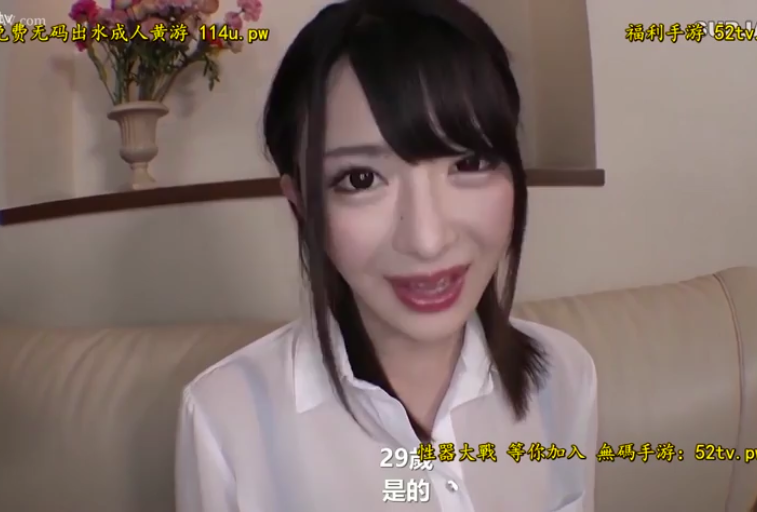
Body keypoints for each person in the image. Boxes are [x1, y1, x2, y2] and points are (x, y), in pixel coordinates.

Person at [175, 0, 597, 510]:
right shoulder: (226, 421)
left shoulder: (562, 376)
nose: (426, 240)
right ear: (301, 204)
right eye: (360, 179)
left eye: (470, 162)